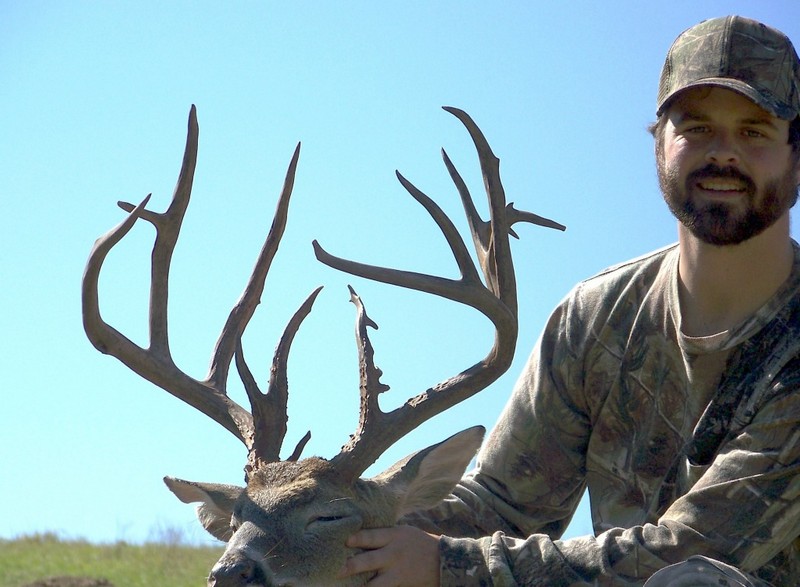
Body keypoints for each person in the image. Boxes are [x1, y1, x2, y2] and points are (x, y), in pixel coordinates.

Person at [339, 14, 800, 587]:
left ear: (795, 154)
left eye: (754, 131)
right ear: (659, 144)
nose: (723, 153)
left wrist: (444, 565)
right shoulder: (595, 320)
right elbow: (500, 507)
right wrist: (340, 527)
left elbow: (688, 552)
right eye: (697, 128)